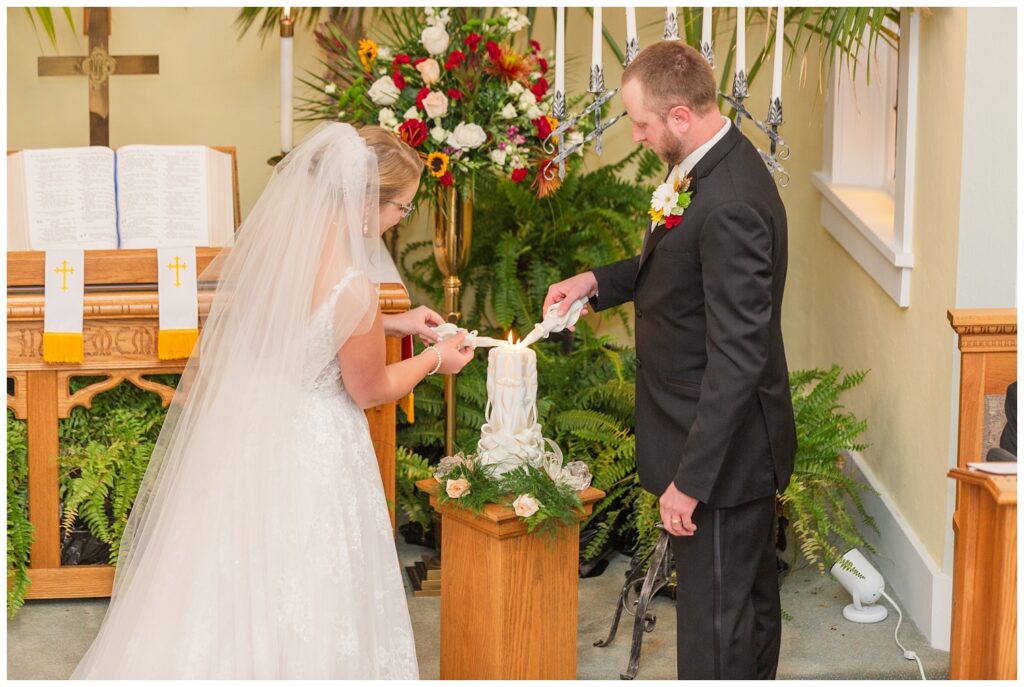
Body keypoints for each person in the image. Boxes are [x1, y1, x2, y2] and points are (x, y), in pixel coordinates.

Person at [70, 123, 474, 679]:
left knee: (239, 580)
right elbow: (370, 388)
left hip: (255, 437)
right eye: (400, 209)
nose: (398, 220)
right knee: (308, 581)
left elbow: (304, 334)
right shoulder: (352, 285)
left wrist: (394, 322)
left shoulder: (275, 261)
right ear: (363, 204)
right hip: (314, 450)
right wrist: (438, 359)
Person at [543, 42, 796, 680]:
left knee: (717, 636)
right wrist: (595, 281)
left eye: (642, 123)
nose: (637, 134)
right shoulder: (705, 168)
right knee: (740, 617)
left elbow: (739, 357)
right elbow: (678, 274)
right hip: (713, 448)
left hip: (721, 462)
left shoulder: (731, 199)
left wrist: (691, 481)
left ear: (680, 116)